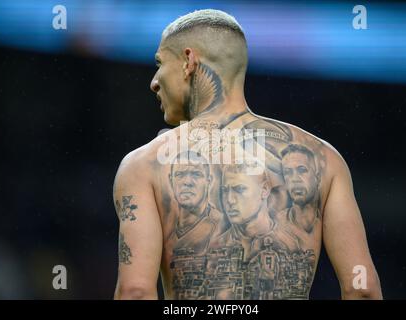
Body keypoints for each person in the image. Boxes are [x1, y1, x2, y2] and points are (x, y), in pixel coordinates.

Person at [112, 9, 382, 300]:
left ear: (188, 61)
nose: (154, 81)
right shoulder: (323, 158)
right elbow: (362, 289)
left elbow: (136, 292)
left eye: (160, 63)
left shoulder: (144, 165)